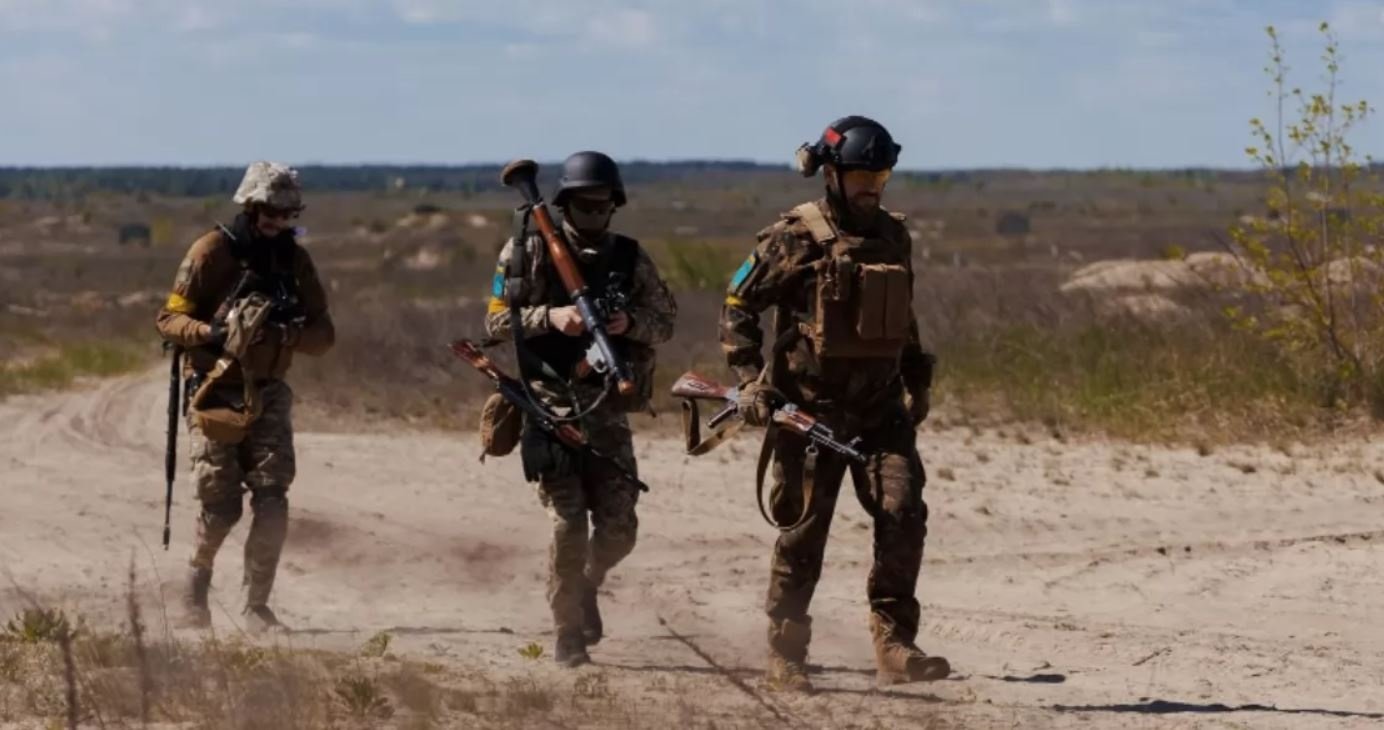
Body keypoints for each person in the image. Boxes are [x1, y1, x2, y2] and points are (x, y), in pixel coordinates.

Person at [718, 117, 948, 691]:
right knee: (803, 534)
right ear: (831, 175)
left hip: (880, 413)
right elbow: (738, 306)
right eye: (862, 176)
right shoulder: (792, 237)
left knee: (903, 514)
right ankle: (786, 653)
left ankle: (894, 643)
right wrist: (749, 380)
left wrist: (917, 379)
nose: (872, 187)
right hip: (809, 414)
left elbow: (903, 315)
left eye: (881, 176)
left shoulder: (893, 236)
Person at [484, 151, 677, 667]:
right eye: (583, 206)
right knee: (567, 526)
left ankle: (588, 584)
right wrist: (552, 317)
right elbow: (496, 323)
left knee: (619, 530)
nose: (593, 215)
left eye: (602, 206)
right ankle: (567, 630)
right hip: (550, 406)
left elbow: (665, 321)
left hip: (606, 410)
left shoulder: (629, 257)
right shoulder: (527, 251)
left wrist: (628, 324)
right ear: (564, 205)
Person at [155, 161, 334, 633]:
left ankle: (256, 606)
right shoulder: (211, 252)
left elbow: (324, 335)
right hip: (215, 388)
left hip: (269, 391)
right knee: (221, 508)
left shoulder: (295, 262)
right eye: (270, 213)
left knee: (273, 499)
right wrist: (211, 332)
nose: (278, 222)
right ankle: (197, 583)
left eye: (287, 215)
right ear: (251, 207)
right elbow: (168, 320)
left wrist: (287, 334)